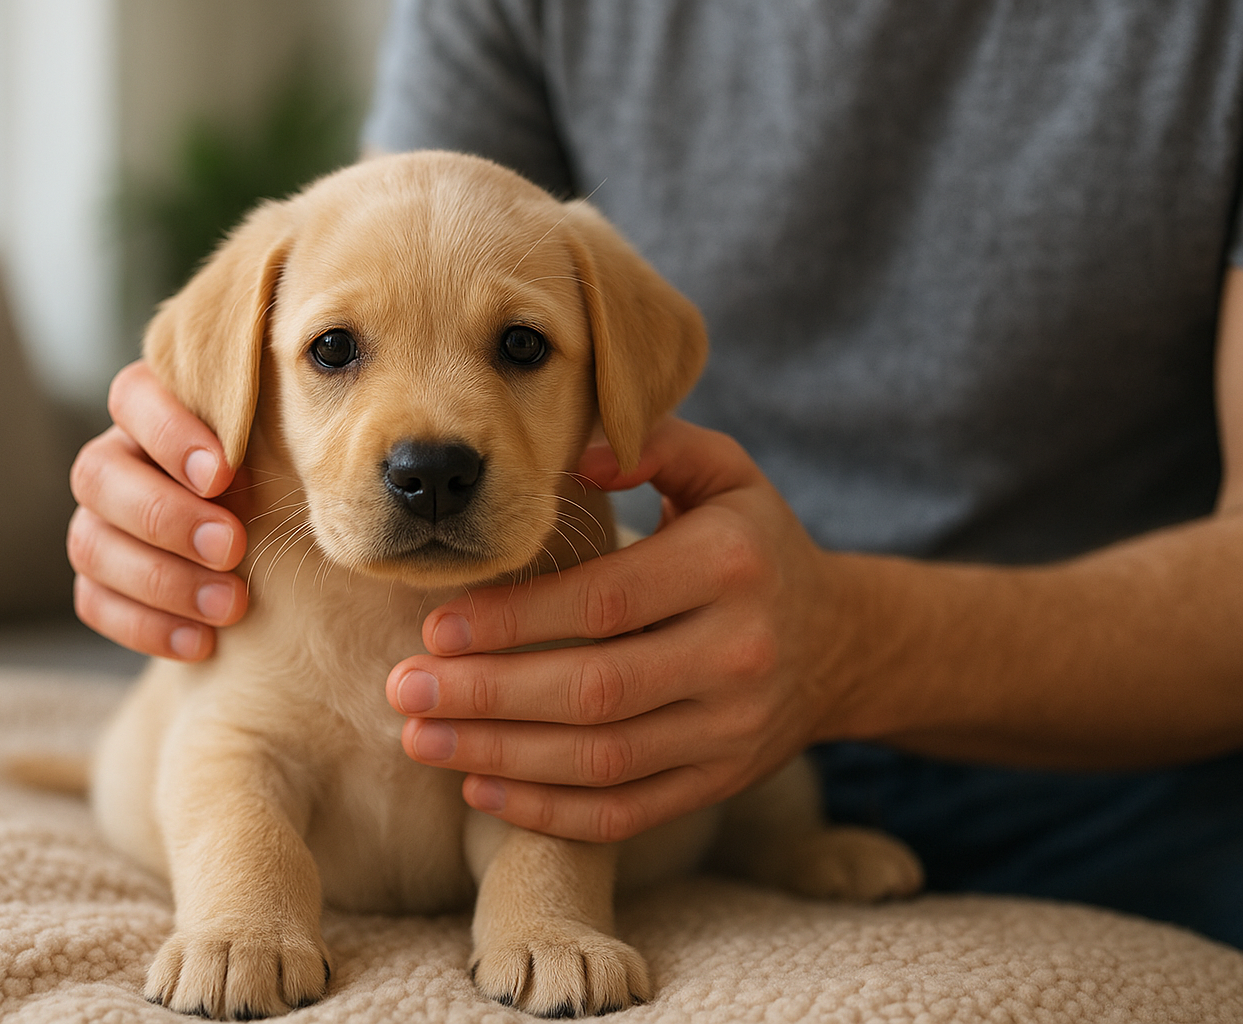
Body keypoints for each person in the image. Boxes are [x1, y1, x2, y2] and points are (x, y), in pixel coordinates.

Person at [67, 2, 1243, 946]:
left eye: (519, 347)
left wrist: (844, 643)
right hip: (674, 680)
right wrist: (172, 479)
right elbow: (409, 224)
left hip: (1138, 761)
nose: (429, 439)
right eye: (334, 352)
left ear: (615, 375)